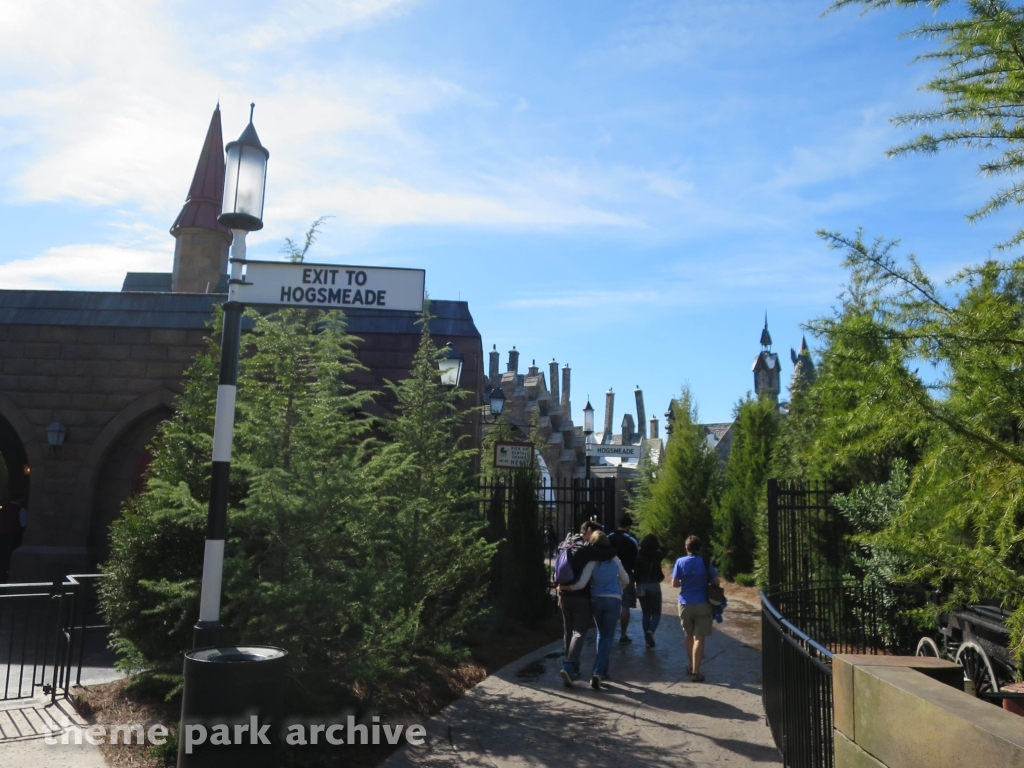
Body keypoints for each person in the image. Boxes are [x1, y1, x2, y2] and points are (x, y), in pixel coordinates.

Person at [560, 531, 629, 690]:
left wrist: (564, 587)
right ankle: (598, 671)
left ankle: (601, 670)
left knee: (600, 633)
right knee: (607, 636)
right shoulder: (615, 560)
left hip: (597, 600)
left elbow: (581, 584)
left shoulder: (592, 562)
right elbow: (626, 579)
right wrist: (619, 588)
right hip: (613, 600)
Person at [555, 520, 615, 687]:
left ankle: (573, 667)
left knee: (568, 632)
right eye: (594, 534)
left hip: (564, 594)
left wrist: (559, 591)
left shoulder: (566, 543)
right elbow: (610, 552)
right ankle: (568, 666)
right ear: (589, 530)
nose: (594, 538)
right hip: (580, 596)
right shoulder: (585, 548)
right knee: (579, 631)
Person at [671, 535, 720, 682]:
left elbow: (674, 584)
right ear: (699, 548)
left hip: (685, 603)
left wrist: (685, 581)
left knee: (688, 635)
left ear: (687, 548)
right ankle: (696, 671)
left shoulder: (680, 562)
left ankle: (691, 665)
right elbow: (717, 581)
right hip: (703, 603)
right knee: (699, 638)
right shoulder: (705, 562)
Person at [608, 514, 639, 644]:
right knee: (625, 605)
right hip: (626, 575)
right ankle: (623, 634)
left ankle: (608, 633)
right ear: (629, 526)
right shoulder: (632, 540)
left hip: (610, 575)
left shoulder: (609, 538)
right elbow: (637, 558)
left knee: (610, 604)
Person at [634, 533, 668, 647]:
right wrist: (660, 544)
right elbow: (666, 551)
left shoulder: (638, 555)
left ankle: (647, 640)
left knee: (646, 614)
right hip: (654, 585)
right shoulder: (656, 556)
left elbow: (636, 573)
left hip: (642, 586)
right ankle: (651, 632)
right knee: (656, 613)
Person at [0, 496, 27, 583]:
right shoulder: (20, 510)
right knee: (9, 557)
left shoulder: (3, 508)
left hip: (1, 535)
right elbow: (23, 524)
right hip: (13, 536)